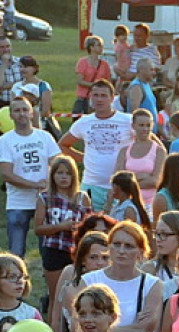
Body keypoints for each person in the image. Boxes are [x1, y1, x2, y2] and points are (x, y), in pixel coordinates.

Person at [58, 80, 132, 211]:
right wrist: (84, 158)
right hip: (92, 185)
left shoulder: (127, 121)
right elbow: (63, 145)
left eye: (103, 95)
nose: (99, 100)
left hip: (121, 185)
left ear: (112, 97)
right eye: (95, 95)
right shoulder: (84, 122)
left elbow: (151, 144)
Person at [0, 96, 58, 259]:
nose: (22, 114)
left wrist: (50, 183)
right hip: (18, 202)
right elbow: (7, 174)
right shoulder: (5, 141)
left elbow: (58, 163)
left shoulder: (44, 137)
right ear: (11, 115)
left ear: (32, 113)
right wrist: (34, 184)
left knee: (48, 251)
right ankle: (14, 281)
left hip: (45, 200)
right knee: (16, 253)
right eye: (17, 111)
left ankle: (50, 281)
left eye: (25, 110)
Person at [34, 155, 92, 311]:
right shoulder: (44, 198)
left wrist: (79, 227)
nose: (64, 177)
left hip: (76, 251)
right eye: (60, 173)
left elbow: (89, 227)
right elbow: (38, 229)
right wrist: (61, 226)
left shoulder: (82, 198)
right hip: (54, 249)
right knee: (56, 296)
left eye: (68, 173)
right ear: (53, 175)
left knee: (78, 295)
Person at [114, 109, 166, 213]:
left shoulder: (159, 151)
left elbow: (155, 182)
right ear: (133, 126)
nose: (145, 129)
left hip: (149, 204)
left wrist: (130, 181)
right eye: (141, 125)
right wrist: (144, 176)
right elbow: (118, 181)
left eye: (148, 125)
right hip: (127, 203)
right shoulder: (124, 150)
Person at [73, 36, 111, 116]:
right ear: (91, 47)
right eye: (99, 45)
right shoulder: (82, 62)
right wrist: (95, 86)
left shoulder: (105, 64)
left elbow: (108, 81)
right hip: (84, 97)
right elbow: (80, 80)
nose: (101, 47)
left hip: (98, 98)